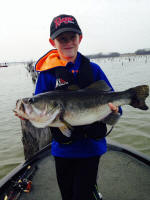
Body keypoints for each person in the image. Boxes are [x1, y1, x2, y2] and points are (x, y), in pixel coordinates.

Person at [34, 14, 122, 200]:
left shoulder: (95, 69)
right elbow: (39, 109)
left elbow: (116, 107)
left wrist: (115, 110)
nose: (68, 43)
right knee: (67, 194)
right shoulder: (46, 75)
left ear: (80, 38)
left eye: (72, 37)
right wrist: (28, 115)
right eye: (62, 39)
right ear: (53, 42)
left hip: (92, 148)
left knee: (82, 195)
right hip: (62, 150)